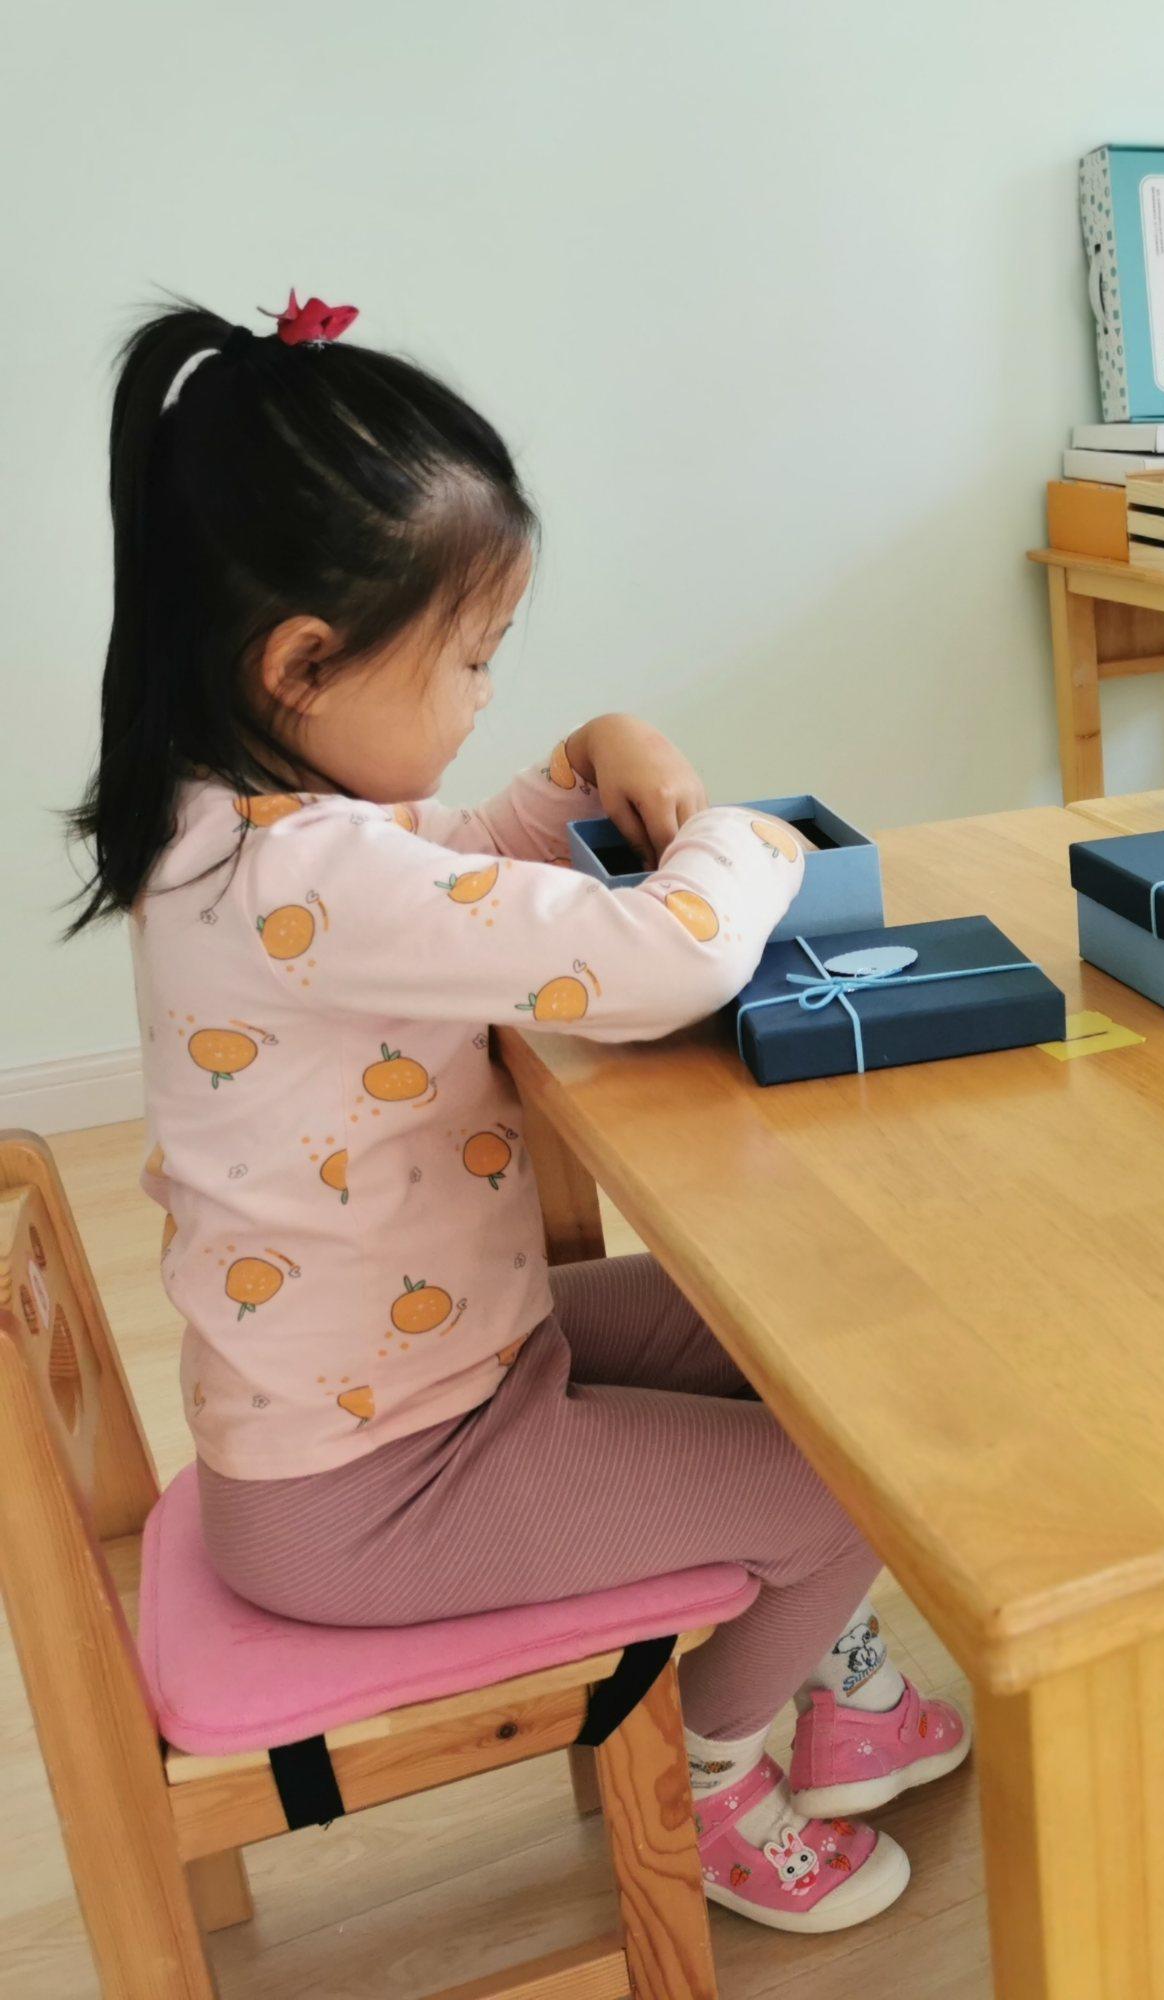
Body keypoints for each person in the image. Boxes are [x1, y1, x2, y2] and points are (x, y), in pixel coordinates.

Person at [72, 295, 965, 1936]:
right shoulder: (299, 874)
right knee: (844, 1480)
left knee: (783, 1325)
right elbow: (659, 958)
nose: (485, 694)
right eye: (471, 659)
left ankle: (831, 1673)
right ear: (301, 663)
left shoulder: (234, 825)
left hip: (412, 1386)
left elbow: (457, 864)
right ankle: (717, 1780)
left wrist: (585, 761)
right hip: (380, 1486)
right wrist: (746, 849)